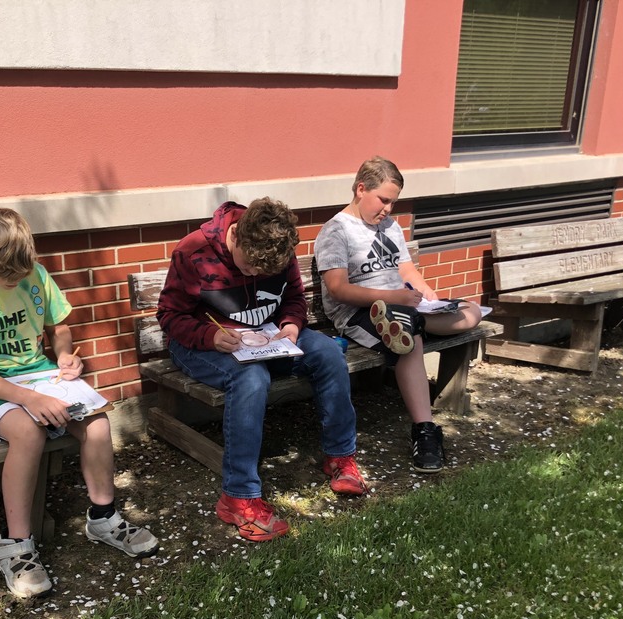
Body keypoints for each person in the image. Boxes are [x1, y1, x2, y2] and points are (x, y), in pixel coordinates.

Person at [0, 206, 158, 598]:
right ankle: (16, 546)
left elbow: (60, 328)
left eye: (21, 274)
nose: (15, 281)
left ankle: (103, 517)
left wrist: (66, 356)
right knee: (27, 432)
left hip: (38, 373)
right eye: (4, 278)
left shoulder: (35, 272)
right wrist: (30, 399)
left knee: (98, 421)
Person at [157, 197, 367, 542]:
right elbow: (169, 316)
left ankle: (340, 458)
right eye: (250, 267)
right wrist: (210, 335)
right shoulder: (193, 251)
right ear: (237, 236)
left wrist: (291, 325)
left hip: (269, 337)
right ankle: (238, 497)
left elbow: (294, 299)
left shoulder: (276, 249)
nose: (254, 275)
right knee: (251, 377)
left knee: (328, 353)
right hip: (202, 343)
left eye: (262, 272)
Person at [315, 156, 483, 473]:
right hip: (359, 312)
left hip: (402, 303)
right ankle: (424, 430)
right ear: (361, 188)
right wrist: (395, 297)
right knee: (410, 338)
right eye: (384, 200)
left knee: (471, 311)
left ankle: (409, 320)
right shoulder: (336, 231)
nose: (388, 209)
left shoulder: (390, 226)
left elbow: (405, 268)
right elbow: (338, 289)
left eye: (393, 202)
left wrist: (429, 295)